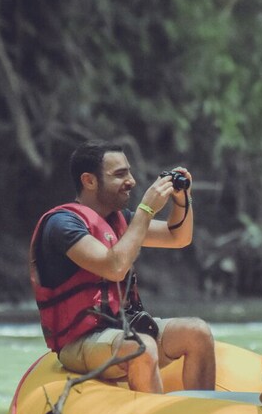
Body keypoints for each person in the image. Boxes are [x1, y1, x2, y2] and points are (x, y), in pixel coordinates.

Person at [29, 140, 215, 394]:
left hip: (125, 330)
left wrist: (182, 200)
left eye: (128, 171)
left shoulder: (121, 220)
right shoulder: (62, 225)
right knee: (142, 347)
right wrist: (146, 209)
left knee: (197, 332)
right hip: (81, 342)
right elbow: (113, 267)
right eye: (119, 174)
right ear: (89, 181)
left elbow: (178, 237)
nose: (131, 181)